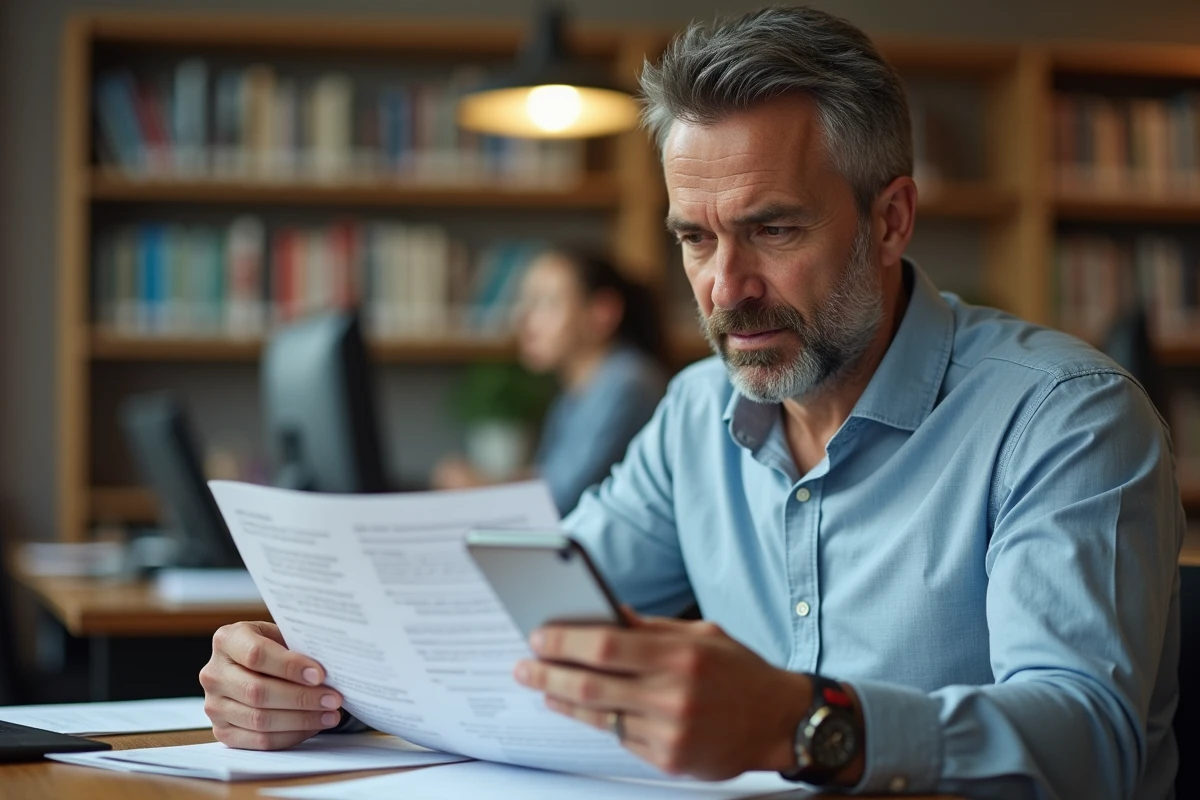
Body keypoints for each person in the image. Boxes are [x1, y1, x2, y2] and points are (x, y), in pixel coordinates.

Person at [198, 7, 1183, 799]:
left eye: (774, 229)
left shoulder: (1065, 418)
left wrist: (797, 722)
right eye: (696, 239)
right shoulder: (694, 413)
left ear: (890, 220)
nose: (725, 288)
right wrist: (319, 677)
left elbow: (1090, 744)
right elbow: (523, 627)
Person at [431, 249, 668, 514]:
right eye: (524, 302)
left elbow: (561, 500)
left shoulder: (626, 384)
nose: (522, 318)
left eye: (546, 303)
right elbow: (550, 477)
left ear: (602, 313)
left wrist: (480, 488)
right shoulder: (578, 391)